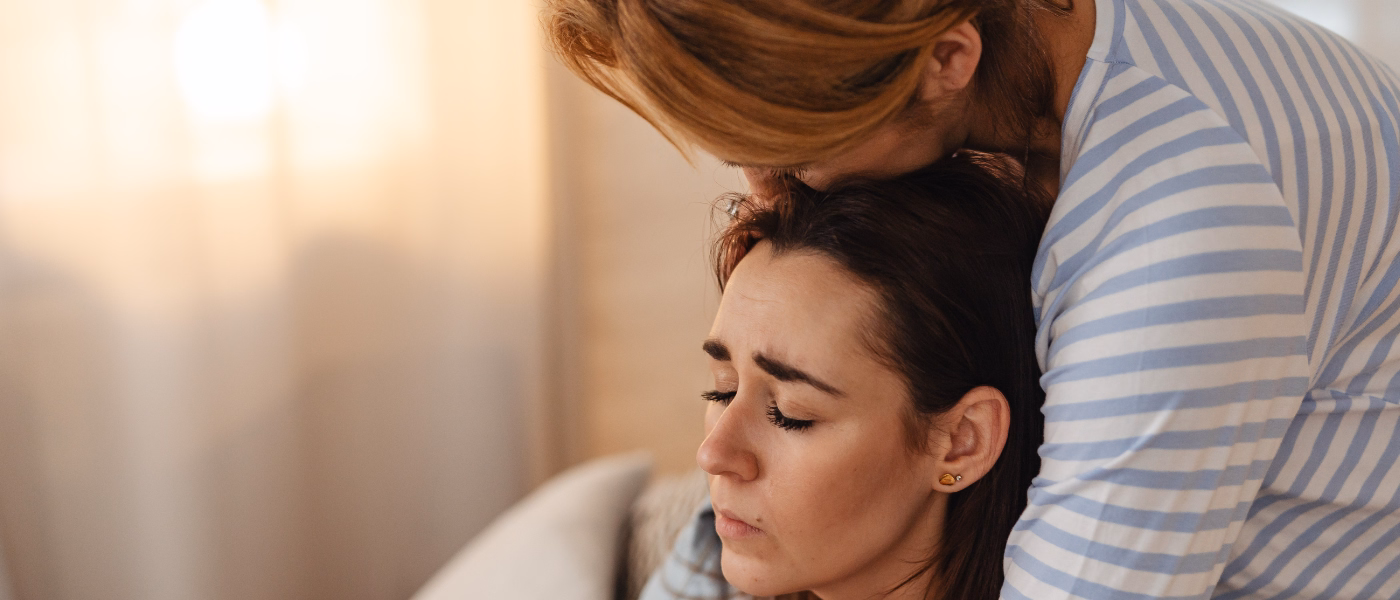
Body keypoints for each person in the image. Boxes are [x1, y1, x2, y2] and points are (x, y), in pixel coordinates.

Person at [546, 0, 1400, 597]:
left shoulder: (1181, 230)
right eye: (721, 391)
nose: (768, 197)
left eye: (796, 154)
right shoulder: (1082, 57)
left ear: (947, 61)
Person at [644, 152, 1049, 600]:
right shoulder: (708, 553)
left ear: (962, 440)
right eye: (722, 390)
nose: (713, 454)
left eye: (791, 415)